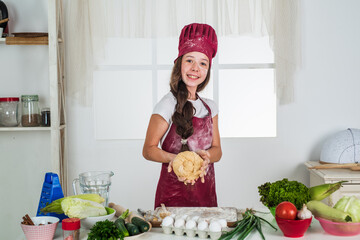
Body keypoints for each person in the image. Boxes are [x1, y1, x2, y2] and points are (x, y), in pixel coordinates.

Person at [143, 23, 222, 209]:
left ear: (207, 70)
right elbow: (148, 149)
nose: (195, 68)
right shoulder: (168, 104)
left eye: (203, 63)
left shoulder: (210, 107)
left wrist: (207, 157)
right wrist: (174, 159)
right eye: (189, 60)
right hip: (173, 197)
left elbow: (218, 149)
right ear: (179, 63)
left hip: (206, 195)